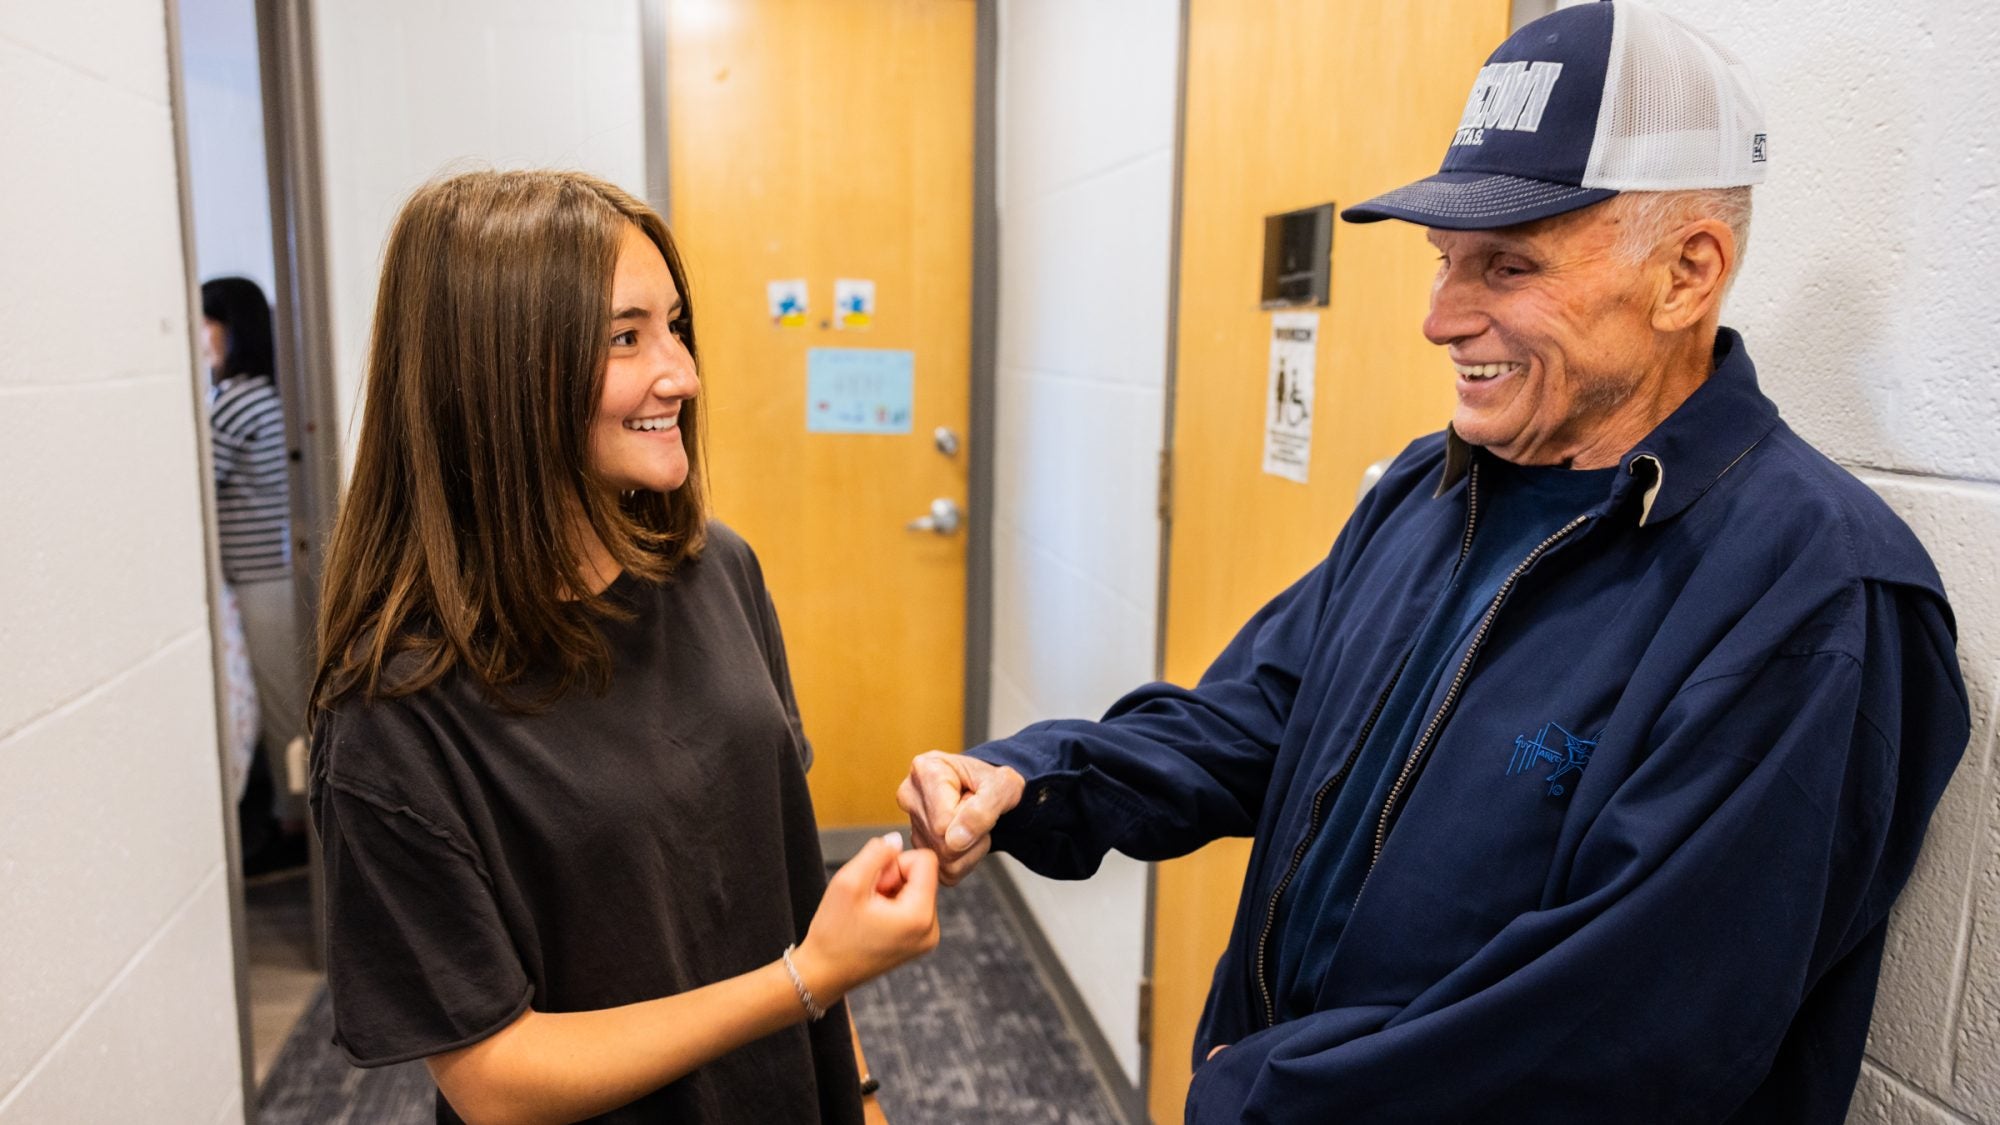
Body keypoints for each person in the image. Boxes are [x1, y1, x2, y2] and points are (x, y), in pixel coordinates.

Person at [898, 4, 1969, 1121]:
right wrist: (1041, 777)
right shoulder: (1435, 486)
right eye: (1443, 260)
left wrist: (1266, 1095)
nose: (1439, 318)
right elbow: (1262, 717)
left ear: (1686, 274)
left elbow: (1624, 1031)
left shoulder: (1812, 595)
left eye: (1506, 266)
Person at [309, 170, 939, 1125]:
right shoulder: (393, 709)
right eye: (625, 337)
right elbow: (496, 1078)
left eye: (676, 326)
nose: (680, 372)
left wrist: (858, 1089)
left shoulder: (718, 572)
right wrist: (805, 978)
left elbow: (789, 886)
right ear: (497, 372)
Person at [201, 275, 307, 873]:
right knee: (280, 700)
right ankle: (288, 823)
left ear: (230, 328)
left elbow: (196, 480)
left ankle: (292, 831)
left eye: (207, 322)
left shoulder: (238, 398)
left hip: (263, 577)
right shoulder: (265, 392)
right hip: (270, 572)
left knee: (280, 705)